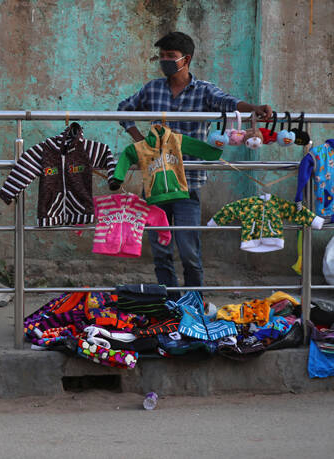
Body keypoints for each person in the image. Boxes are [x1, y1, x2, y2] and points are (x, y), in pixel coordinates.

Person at [116, 32, 273, 300]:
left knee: (189, 250)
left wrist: (253, 109)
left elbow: (229, 103)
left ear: (186, 59)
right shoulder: (152, 89)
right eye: (162, 56)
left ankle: (194, 303)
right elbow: (124, 109)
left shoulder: (203, 91)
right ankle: (171, 303)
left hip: (189, 185)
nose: (165, 61)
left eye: (170, 57)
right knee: (161, 249)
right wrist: (139, 140)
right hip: (156, 182)